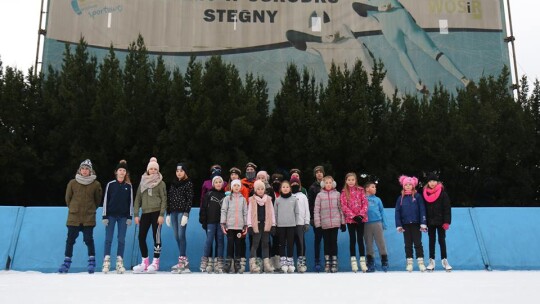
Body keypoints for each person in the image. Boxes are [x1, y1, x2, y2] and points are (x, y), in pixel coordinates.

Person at [352, 0, 470, 94]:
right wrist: (412, 21)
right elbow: (403, 9)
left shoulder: (367, 5)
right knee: (434, 51)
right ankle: (464, 79)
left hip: (388, 27)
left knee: (401, 52)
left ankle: (417, 83)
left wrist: (378, 9)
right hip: (400, 14)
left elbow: (356, 6)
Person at [58, 159, 102, 274]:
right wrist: (73, 208)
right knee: (70, 240)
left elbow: (97, 200)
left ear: (90, 171)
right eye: (83, 168)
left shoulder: (96, 184)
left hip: (88, 217)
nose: (84, 171)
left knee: (88, 239)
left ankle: (92, 261)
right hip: (74, 217)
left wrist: (90, 209)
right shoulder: (72, 183)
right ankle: (66, 262)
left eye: (87, 169)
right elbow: (68, 199)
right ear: (79, 170)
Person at [132, 157, 167, 273]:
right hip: (145, 213)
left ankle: (155, 262)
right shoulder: (142, 182)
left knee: (156, 237)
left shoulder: (161, 183)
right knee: (141, 236)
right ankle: (145, 262)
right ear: (147, 170)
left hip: (157, 213)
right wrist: (136, 214)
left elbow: (164, 199)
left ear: (157, 170)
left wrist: (162, 214)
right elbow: (137, 199)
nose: (152, 170)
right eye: (151, 169)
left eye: (155, 169)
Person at [101, 160, 133, 274]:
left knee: (121, 239)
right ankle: (106, 261)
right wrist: (104, 215)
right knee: (108, 239)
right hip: (111, 216)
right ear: (116, 172)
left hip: (123, 217)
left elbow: (130, 202)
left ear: (126, 173)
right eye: (120, 170)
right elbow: (105, 200)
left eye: (124, 170)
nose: (122, 172)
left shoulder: (128, 186)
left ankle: (119, 262)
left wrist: (130, 217)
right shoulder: (110, 184)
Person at [395, 175, 427, 272]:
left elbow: (422, 209)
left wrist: (423, 222)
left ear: (413, 186)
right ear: (403, 186)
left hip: (416, 224)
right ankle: (409, 263)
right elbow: (397, 212)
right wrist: (399, 224)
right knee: (407, 244)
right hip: (405, 225)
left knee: (418, 243)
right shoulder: (400, 198)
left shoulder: (417, 196)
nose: (408, 186)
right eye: (406, 185)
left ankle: (421, 263)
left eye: (410, 184)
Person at [314, 175, 346, 273]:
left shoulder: (337, 194)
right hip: (324, 223)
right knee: (326, 243)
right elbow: (316, 210)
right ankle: (327, 262)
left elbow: (341, 208)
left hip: (335, 222)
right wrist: (318, 224)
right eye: (326, 182)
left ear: (333, 184)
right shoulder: (319, 195)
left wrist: (343, 222)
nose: (328, 184)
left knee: (333, 242)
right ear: (323, 184)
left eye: (330, 182)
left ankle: (334, 262)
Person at [166, 162, 193, 274]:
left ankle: (182, 260)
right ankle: (185, 261)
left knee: (182, 235)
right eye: (177, 171)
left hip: (182, 212)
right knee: (176, 236)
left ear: (185, 172)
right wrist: (168, 213)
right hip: (173, 212)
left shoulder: (188, 183)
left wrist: (186, 214)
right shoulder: (173, 184)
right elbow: (170, 198)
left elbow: (190, 199)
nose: (179, 173)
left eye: (181, 171)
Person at [422, 172, 452, 271]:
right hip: (430, 222)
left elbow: (447, 209)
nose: (432, 183)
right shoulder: (425, 194)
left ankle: (444, 260)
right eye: (430, 181)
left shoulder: (443, 194)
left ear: (437, 182)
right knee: (431, 241)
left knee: (442, 240)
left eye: (434, 181)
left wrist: (447, 222)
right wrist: (424, 223)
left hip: (441, 222)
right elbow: (423, 210)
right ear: (428, 182)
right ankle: (431, 261)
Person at [340, 172, 369, 273]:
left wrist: (361, 215)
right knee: (353, 239)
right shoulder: (344, 192)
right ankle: (353, 262)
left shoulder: (361, 190)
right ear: (346, 181)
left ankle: (362, 261)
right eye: (349, 180)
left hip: (361, 219)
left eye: (353, 180)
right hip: (351, 220)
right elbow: (343, 206)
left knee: (360, 239)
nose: (351, 182)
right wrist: (353, 216)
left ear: (355, 180)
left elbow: (365, 203)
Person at [247, 180, 276, 273]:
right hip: (256, 225)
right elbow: (249, 213)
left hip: (266, 225)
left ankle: (267, 265)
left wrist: (273, 225)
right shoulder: (252, 199)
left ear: (265, 189)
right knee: (255, 244)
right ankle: (252, 264)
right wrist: (250, 225)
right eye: (258, 189)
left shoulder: (268, 199)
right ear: (255, 190)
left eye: (262, 189)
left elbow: (272, 213)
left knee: (265, 244)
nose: (260, 190)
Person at [221, 179, 248, 274]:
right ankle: (228, 263)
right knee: (230, 244)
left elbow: (245, 212)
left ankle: (237, 264)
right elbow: (224, 210)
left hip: (239, 227)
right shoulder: (227, 199)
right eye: (235, 186)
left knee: (238, 245)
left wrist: (245, 225)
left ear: (240, 187)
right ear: (232, 187)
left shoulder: (243, 199)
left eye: (238, 186)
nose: (236, 187)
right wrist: (223, 223)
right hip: (230, 226)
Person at [200, 175, 226, 273]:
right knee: (209, 241)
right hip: (210, 222)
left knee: (220, 241)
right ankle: (205, 260)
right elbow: (203, 208)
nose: (218, 184)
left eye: (220, 182)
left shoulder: (225, 196)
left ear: (223, 184)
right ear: (213, 184)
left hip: (221, 223)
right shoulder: (209, 194)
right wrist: (203, 220)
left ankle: (219, 261)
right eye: (216, 182)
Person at [274, 180, 299, 273]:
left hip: (291, 225)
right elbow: (275, 213)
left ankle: (290, 261)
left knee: (290, 243)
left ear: (290, 188)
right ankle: (283, 262)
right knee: (281, 244)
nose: (285, 188)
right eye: (283, 187)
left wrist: (296, 224)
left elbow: (297, 212)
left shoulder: (294, 199)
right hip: (281, 226)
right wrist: (275, 224)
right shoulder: (277, 200)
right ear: (280, 189)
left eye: (287, 187)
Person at [364, 180, 389, 272]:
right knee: (368, 244)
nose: (375, 188)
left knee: (381, 243)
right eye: (373, 187)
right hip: (366, 224)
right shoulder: (362, 199)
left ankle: (384, 261)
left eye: (375, 187)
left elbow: (382, 211)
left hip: (377, 223)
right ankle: (370, 263)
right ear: (367, 189)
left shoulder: (378, 199)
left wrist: (384, 223)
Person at [290, 176, 310, 273]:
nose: (294, 185)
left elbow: (307, 209)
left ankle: (301, 262)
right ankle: (290, 263)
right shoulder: (288, 195)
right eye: (292, 184)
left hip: (300, 223)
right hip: (289, 224)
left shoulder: (303, 196)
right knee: (290, 243)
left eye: (296, 183)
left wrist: (306, 222)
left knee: (300, 243)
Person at [308, 165, 325, 271]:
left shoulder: (329, 185)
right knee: (317, 240)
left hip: (329, 217)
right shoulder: (312, 187)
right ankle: (317, 261)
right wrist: (312, 217)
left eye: (320, 172)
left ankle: (330, 260)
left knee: (329, 240)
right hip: (317, 218)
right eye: (317, 172)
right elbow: (310, 204)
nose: (319, 173)